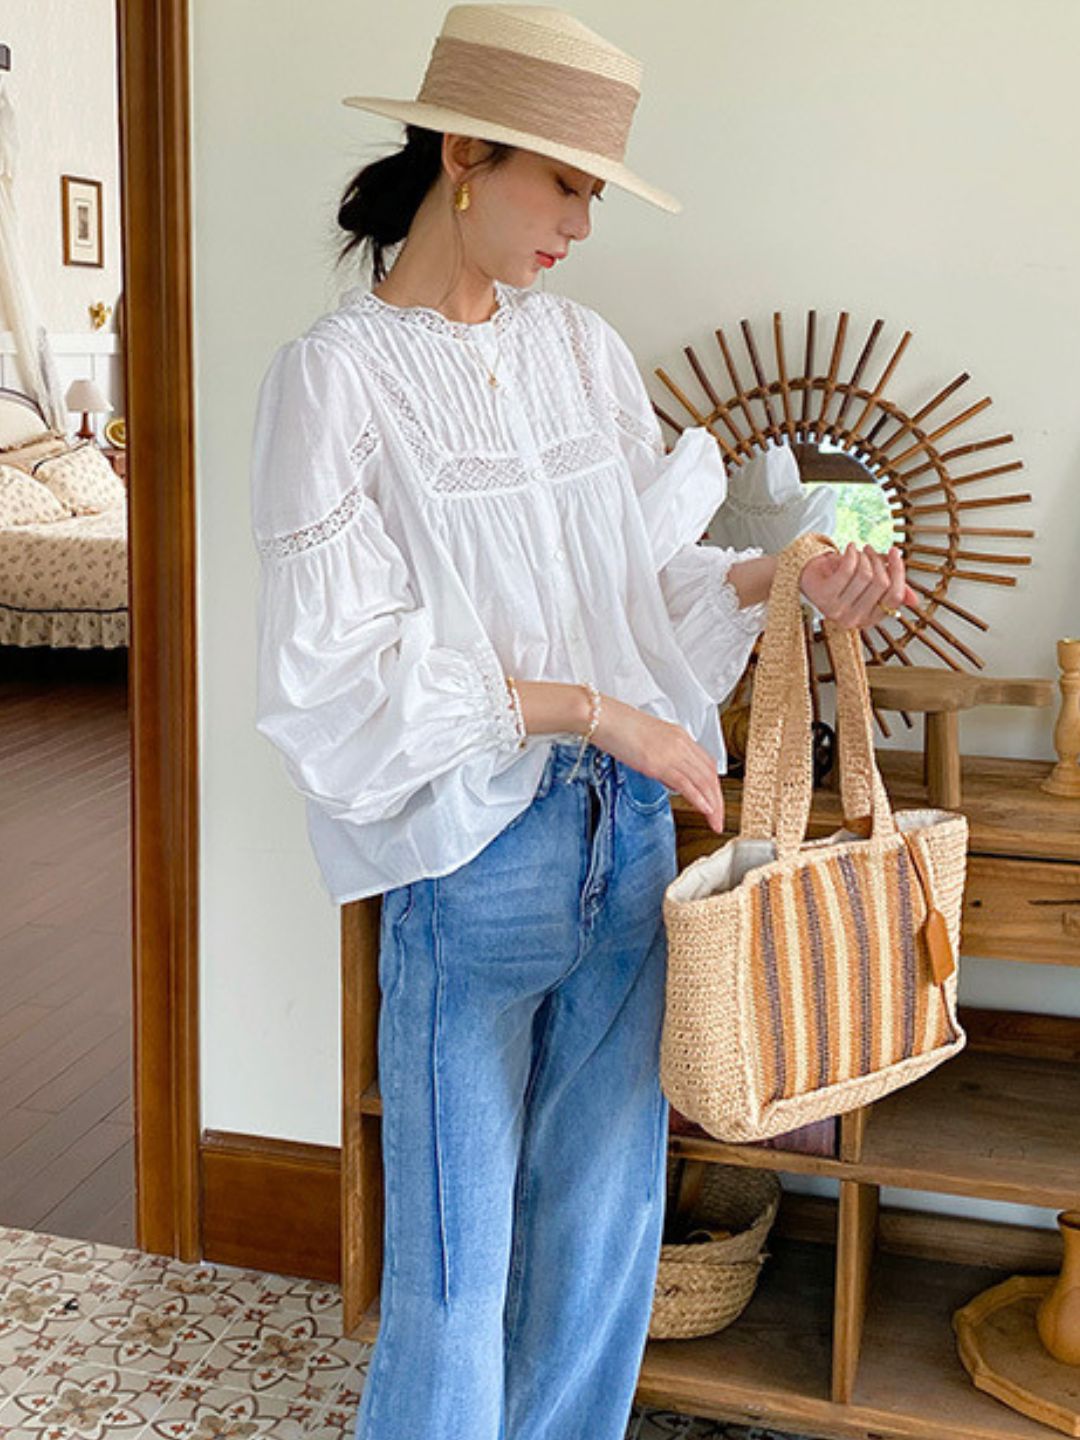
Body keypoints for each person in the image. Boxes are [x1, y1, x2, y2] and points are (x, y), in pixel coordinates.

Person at [249, 7, 916, 1438]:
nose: (581, 223)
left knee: (603, 1242)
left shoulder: (585, 355)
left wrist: (789, 579)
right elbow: (334, 676)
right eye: (563, 183)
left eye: (595, 192)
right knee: (451, 1276)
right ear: (463, 154)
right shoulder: (337, 378)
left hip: (628, 848)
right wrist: (601, 716)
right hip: (476, 855)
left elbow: (641, 593)